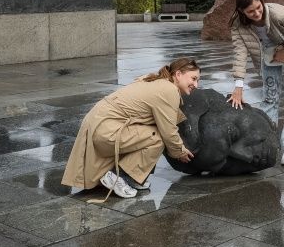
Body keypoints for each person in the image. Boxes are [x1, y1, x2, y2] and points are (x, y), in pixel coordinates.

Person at [62, 56, 200, 199]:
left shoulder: (157, 82)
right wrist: (179, 151)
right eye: (193, 78)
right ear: (178, 74)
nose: (196, 85)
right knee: (157, 137)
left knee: (151, 133)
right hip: (106, 129)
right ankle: (119, 177)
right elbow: (168, 131)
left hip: (101, 125)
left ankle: (133, 178)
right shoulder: (168, 90)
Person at [229, 0, 284, 167]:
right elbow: (239, 54)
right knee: (270, 98)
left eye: (259, 7)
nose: (257, 13)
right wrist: (238, 86)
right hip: (268, 54)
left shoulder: (277, 14)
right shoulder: (237, 25)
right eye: (251, 11)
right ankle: (267, 141)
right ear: (242, 11)